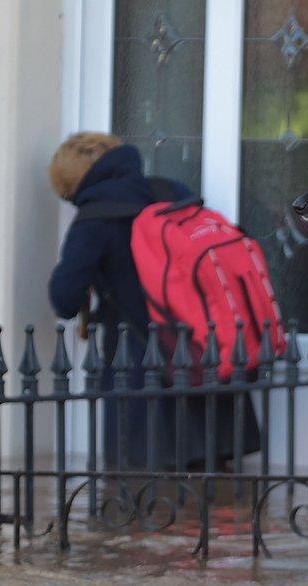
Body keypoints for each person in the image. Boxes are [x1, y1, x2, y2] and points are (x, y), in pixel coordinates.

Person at [48, 132, 259, 472]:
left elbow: (65, 299)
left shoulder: (94, 220)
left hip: (141, 376)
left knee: (146, 501)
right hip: (205, 356)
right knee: (221, 498)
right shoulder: (169, 192)